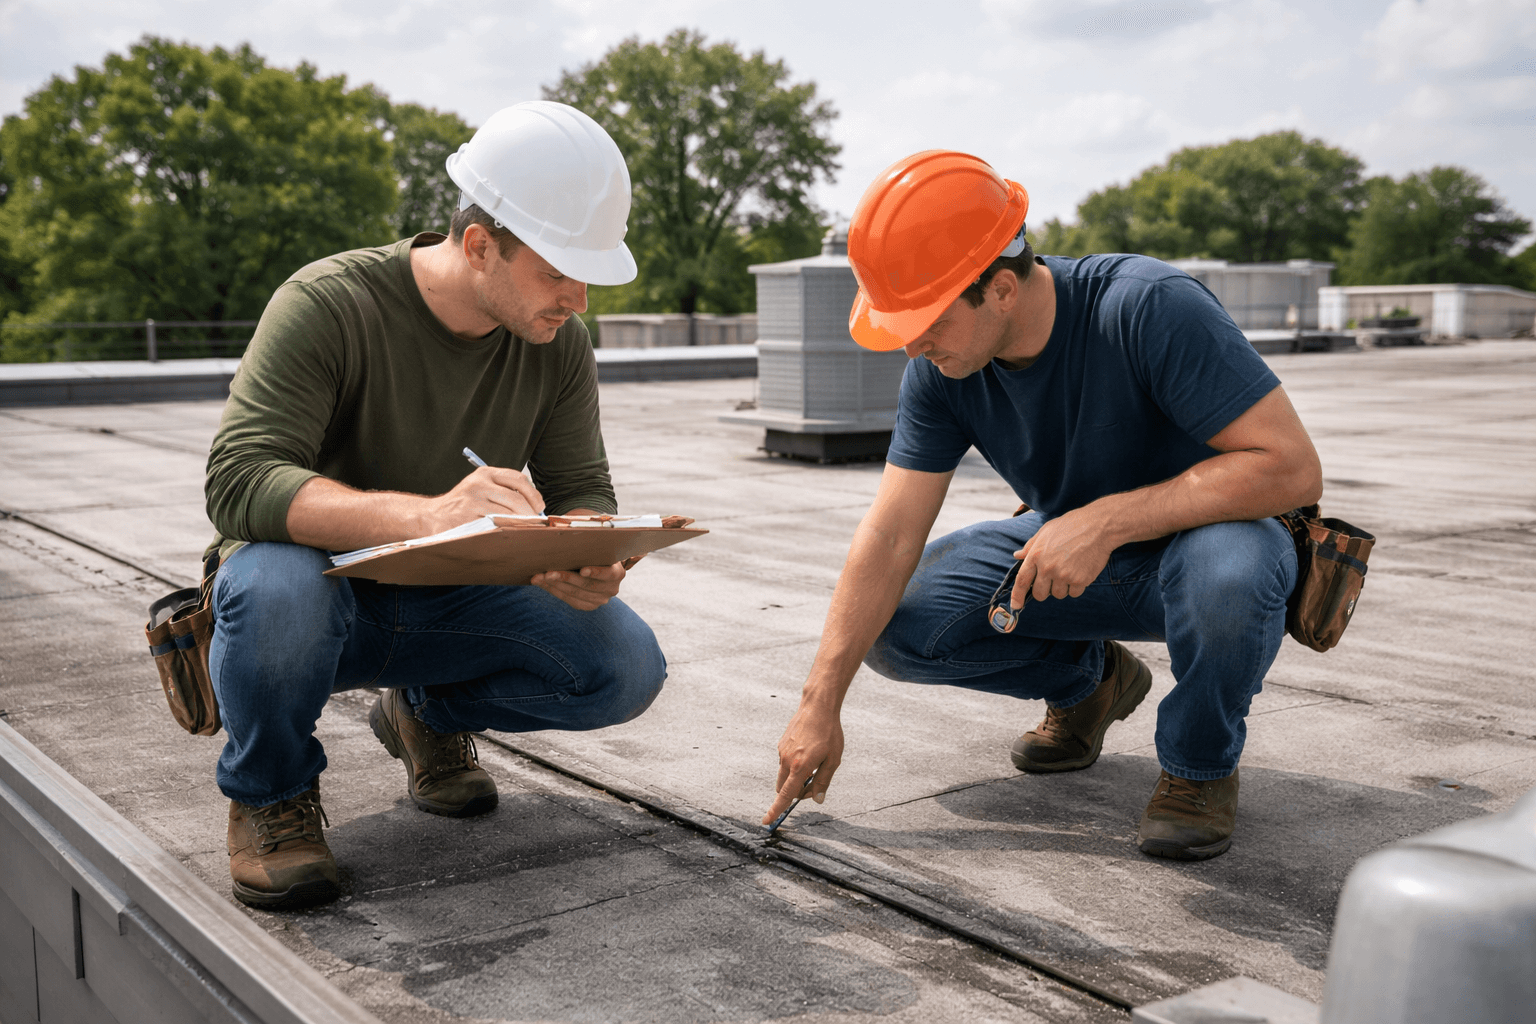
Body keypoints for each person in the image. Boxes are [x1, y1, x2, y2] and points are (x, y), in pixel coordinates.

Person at [763, 150, 1322, 861]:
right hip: (1074, 560)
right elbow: (891, 533)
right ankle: (1092, 684)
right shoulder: (943, 371)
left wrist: (1105, 520)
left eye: (924, 319)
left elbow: (1292, 469)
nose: (909, 344)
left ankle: (1197, 766)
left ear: (999, 288)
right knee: (897, 625)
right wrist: (820, 704)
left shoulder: (1147, 307)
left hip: (1211, 547)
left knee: (1229, 575)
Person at [204, 101, 666, 910]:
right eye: (558, 270)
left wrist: (594, 548)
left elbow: (584, 488)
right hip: (320, 596)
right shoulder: (329, 303)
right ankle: (270, 795)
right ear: (480, 245)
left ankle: (423, 714)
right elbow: (239, 480)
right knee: (274, 585)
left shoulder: (558, 345)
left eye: (585, 273)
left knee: (623, 667)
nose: (578, 299)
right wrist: (425, 517)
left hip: (450, 601)